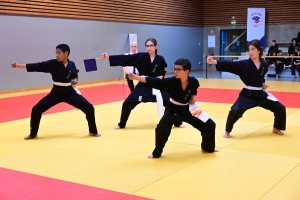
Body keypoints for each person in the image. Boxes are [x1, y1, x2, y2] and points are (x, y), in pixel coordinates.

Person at [128, 58, 218, 158]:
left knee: (210, 124)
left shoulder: (193, 81)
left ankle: (207, 147)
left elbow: (193, 90)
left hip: (188, 109)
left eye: (178, 69)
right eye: (174, 69)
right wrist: (136, 77)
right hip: (172, 109)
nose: (175, 71)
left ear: (186, 71)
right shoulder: (171, 82)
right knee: (161, 128)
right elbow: (154, 81)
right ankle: (157, 152)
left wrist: (192, 98)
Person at [11, 44, 100, 140]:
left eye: (59, 53)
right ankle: (33, 134)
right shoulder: (53, 64)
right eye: (56, 53)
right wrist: (19, 66)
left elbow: (74, 74)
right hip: (56, 93)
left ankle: (93, 131)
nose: (57, 55)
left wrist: (75, 79)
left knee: (90, 108)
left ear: (66, 53)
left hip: (70, 92)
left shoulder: (72, 64)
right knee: (36, 109)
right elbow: (38, 66)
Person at [207, 39, 286, 138]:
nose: (250, 52)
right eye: (249, 50)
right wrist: (214, 61)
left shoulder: (264, 64)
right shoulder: (243, 64)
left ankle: (276, 128)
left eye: (253, 49)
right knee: (235, 110)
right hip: (248, 94)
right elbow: (230, 65)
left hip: (260, 94)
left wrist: (262, 83)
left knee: (280, 108)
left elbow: (259, 76)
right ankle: (227, 131)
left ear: (259, 50)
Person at [100, 38, 184, 129]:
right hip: (143, 84)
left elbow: (163, 71)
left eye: (151, 45)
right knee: (127, 103)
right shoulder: (141, 57)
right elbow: (127, 58)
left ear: (156, 46)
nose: (149, 48)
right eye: (147, 46)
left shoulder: (160, 59)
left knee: (171, 102)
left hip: (157, 85)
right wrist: (109, 58)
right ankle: (121, 124)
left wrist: (161, 76)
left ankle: (178, 123)